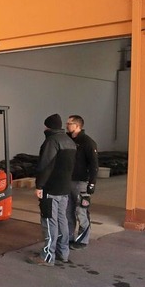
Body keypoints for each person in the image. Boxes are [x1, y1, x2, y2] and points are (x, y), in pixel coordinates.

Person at [27, 113, 76, 266]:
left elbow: (45, 166)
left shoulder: (51, 141)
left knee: (49, 221)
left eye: (45, 126)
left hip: (51, 188)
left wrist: (39, 185)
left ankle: (48, 256)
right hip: (65, 188)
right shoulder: (70, 141)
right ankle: (63, 252)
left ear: (48, 127)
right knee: (63, 220)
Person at [66, 115, 99, 250]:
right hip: (68, 181)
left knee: (81, 211)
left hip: (82, 183)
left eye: (70, 123)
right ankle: (68, 237)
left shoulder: (88, 142)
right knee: (68, 211)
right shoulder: (67, 140)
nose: (67, 125)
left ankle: (82, 240)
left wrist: (92, 183)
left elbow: (94, 165)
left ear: (78, 126)